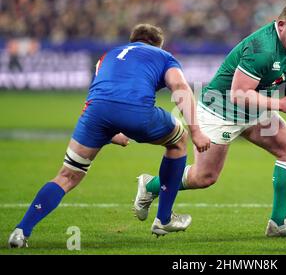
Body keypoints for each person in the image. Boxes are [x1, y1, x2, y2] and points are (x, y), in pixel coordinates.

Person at [134, 2, 286, 237]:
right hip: (221, 110)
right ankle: (150, 185)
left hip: (256, 110)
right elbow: (238, 94)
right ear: (280, 25)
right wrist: (281, 104)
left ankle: (278, 223)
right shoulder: (262, 48)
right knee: (204, 177)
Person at [8, 24, 211, 248]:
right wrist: (196, 131)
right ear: (157, 44)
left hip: (95, 113)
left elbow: (100, 91)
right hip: (136, 111)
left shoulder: (108, 56)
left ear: (132, 40)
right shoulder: (164, 56)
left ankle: (21, 231)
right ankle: (163, 219)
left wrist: (110, 131)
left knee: (66, 175)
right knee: (178, 140)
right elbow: (180, 86)